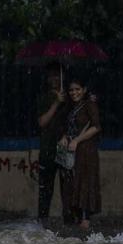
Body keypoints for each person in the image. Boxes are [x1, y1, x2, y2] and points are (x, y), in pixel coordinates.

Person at [59, 78, 101, 229]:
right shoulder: (71, 107)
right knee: (72, 182)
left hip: (86, 149)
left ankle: (86, 218)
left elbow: (96, 127)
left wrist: (78, 140)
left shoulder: (89, 104)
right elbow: (68, 127)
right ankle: (76, 215)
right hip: (72, 149)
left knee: (85, 181)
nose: (74, 92)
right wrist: (64, 137)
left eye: (77, 89)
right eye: (71, 90)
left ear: (84, 90)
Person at [36, 62, 66, 220]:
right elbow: (42, 122)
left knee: (68, 189)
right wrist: (56, 103)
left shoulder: (69, 96)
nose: (55, 78)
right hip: (47, 149)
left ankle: (70, 220)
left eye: (57, 75)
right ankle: (43, 221)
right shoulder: (44, 98)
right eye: (52, 76)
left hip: (65, 150)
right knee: (45, 189)